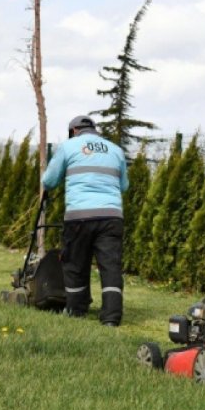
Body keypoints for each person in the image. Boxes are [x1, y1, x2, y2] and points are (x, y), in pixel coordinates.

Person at [42, 115, 129, 326]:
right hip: (111, 216)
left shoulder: (68, 147)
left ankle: (76, 309)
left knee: (75, 264)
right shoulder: (115, 150)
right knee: (110, 266)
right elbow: (124, 186)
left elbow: (49, 180)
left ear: (73, 131)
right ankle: (111, 317)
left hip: (79, 216)